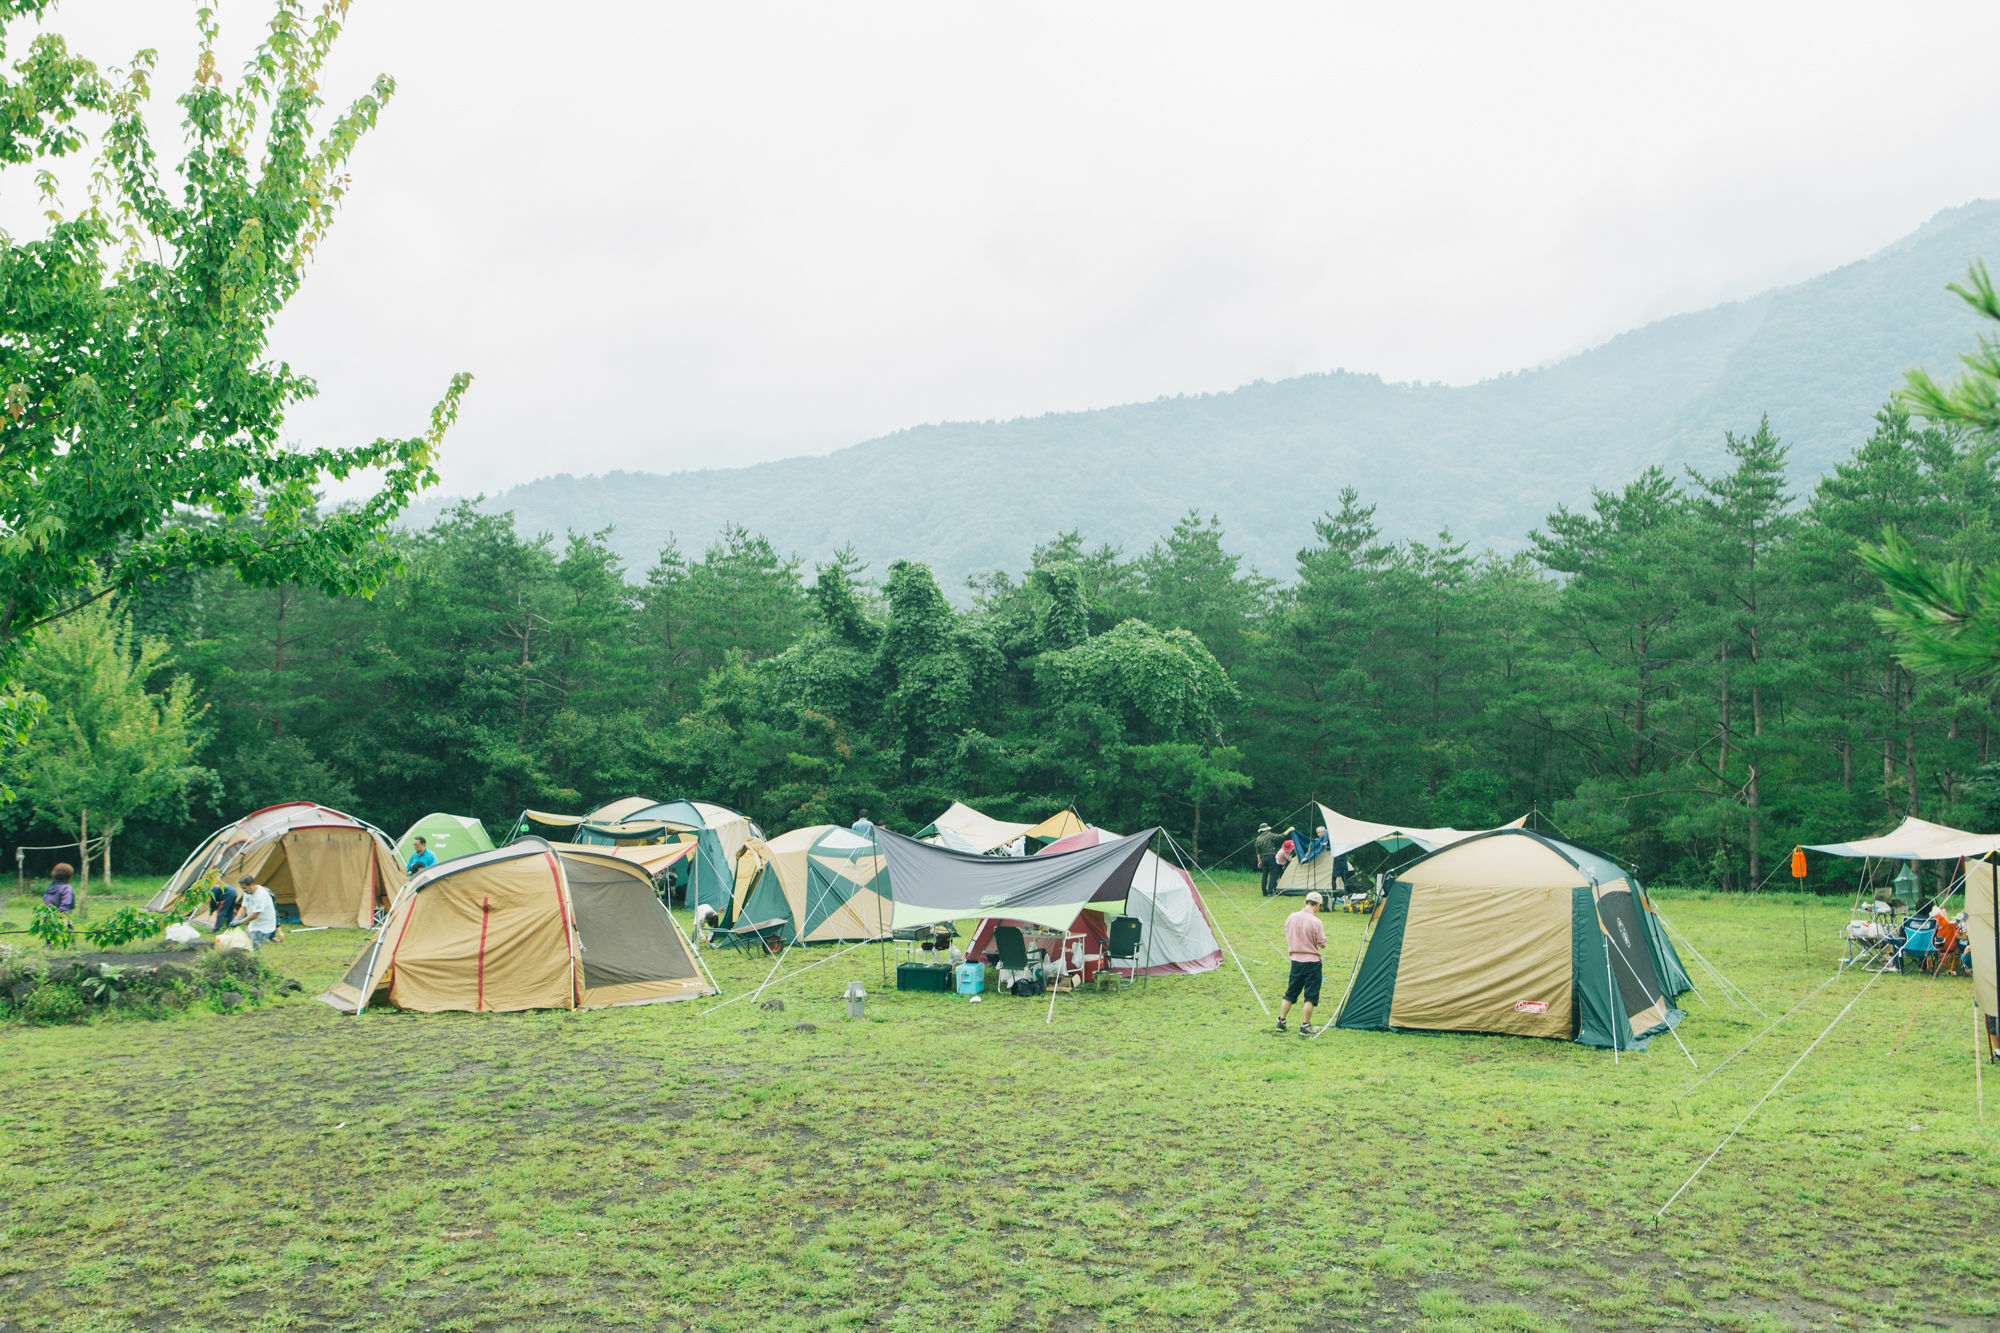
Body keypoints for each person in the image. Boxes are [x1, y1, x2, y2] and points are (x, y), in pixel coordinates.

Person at [1276, 891, 1327, 1037]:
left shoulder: (1291, 917)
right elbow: (1321, 943)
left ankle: (1281, 1021)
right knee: (1310, 995)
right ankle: (1305, 1025)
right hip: (1312, 963)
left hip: (1295, 961)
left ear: (1305, 902)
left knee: (1291, 992)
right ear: (1317, 906)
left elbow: (1287, 933)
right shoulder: (1316, 922)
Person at [236, 873, 278, 950]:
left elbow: (255, 915)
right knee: (245, 945)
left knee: (254, 948)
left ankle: (258, 961)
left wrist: (241, 922)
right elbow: (244, 907)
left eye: (245, 888)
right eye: (242, 888)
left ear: (252, 885)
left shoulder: (261, 895)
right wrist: (235, 920)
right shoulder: (247, 893)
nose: (243, 890)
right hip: (254, 925)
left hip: (264, 926)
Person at [1254, 823, 1282, 895]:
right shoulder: (1269, 835)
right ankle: (1270, 891)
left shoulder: (1258, 839)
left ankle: (1264, 892)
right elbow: (1280, 836)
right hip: (1271, 857)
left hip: (1263, 858)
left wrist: (1259, 861)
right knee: (1273, 874)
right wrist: (1289, 830)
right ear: (1267, 829)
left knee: (1264, 876)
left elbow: (1258, 852)